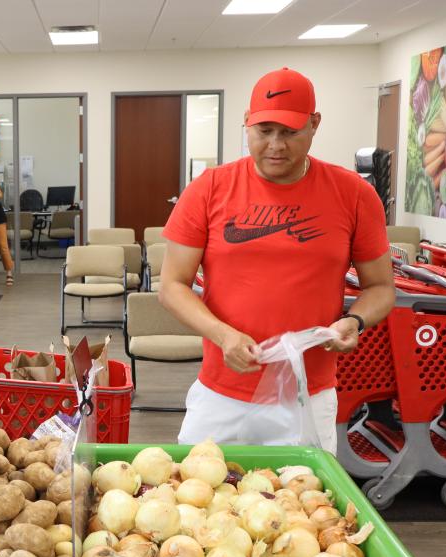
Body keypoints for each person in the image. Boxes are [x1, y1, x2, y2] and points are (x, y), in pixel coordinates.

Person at [158, 67, 395, 453]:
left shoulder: (353, 194)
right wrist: (223, 335)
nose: (275, 145)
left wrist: (354, 320)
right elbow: (171, 286)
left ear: (314, 124)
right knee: (195, 500)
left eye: (289, 132)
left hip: (307, 395)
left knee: (302, 507)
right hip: (222, 393)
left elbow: (381, 287)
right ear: (246, 124)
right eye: (263, 131)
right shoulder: (210, 189)